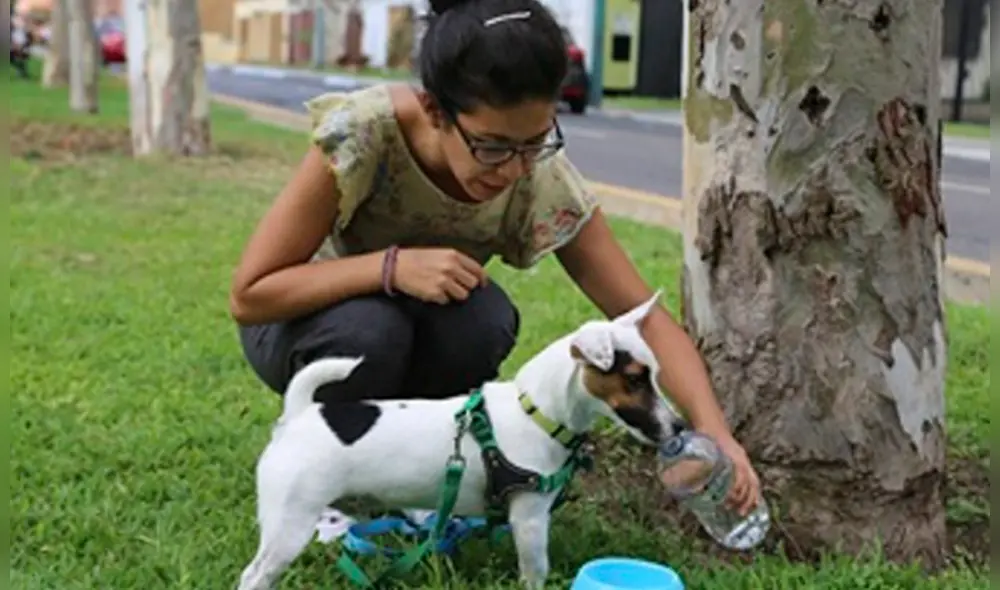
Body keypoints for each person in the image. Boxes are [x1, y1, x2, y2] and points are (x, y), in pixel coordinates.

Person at [229, 0, 761, 517]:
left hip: (411, 325)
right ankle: (331, 486)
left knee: (482, 319)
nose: (512, 169)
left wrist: (714, 432)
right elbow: (251, 294)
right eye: (490, 146)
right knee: (372, 329)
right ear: (434, 111)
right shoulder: (365, 131)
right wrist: (391, 268)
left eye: (535, 142)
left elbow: (644, 316)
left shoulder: (539, 177)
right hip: (301, 323)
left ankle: (423, 478)